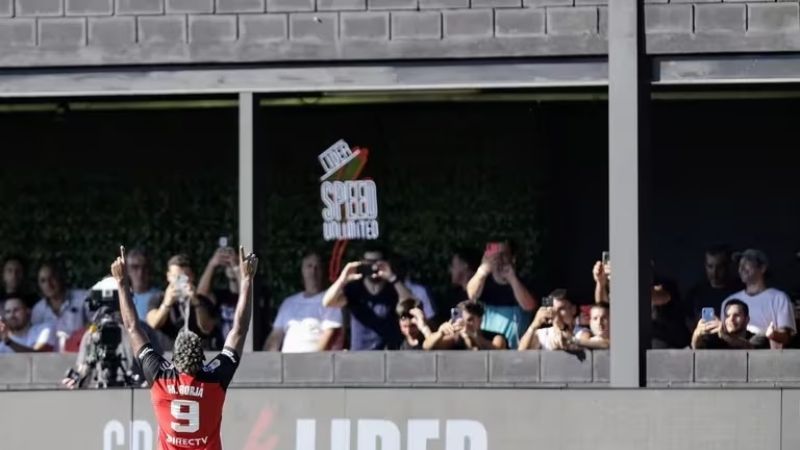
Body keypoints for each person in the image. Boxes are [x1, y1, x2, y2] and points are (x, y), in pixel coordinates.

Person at [113, 245, 258, 450]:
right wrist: (246, 280)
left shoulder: (160, 377)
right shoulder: (214, 378)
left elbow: (131, 327)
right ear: (202, 359)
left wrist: (120, 282)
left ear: (172, 359)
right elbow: (239, 331)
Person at [691, 298, 768, 350]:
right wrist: (697, 334)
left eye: (736, 315)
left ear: (747, 319)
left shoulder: (758, 337)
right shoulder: (717, 340)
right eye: (727, 316)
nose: (731, 319)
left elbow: (750, 347)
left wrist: (726, 336)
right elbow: (697, 350)